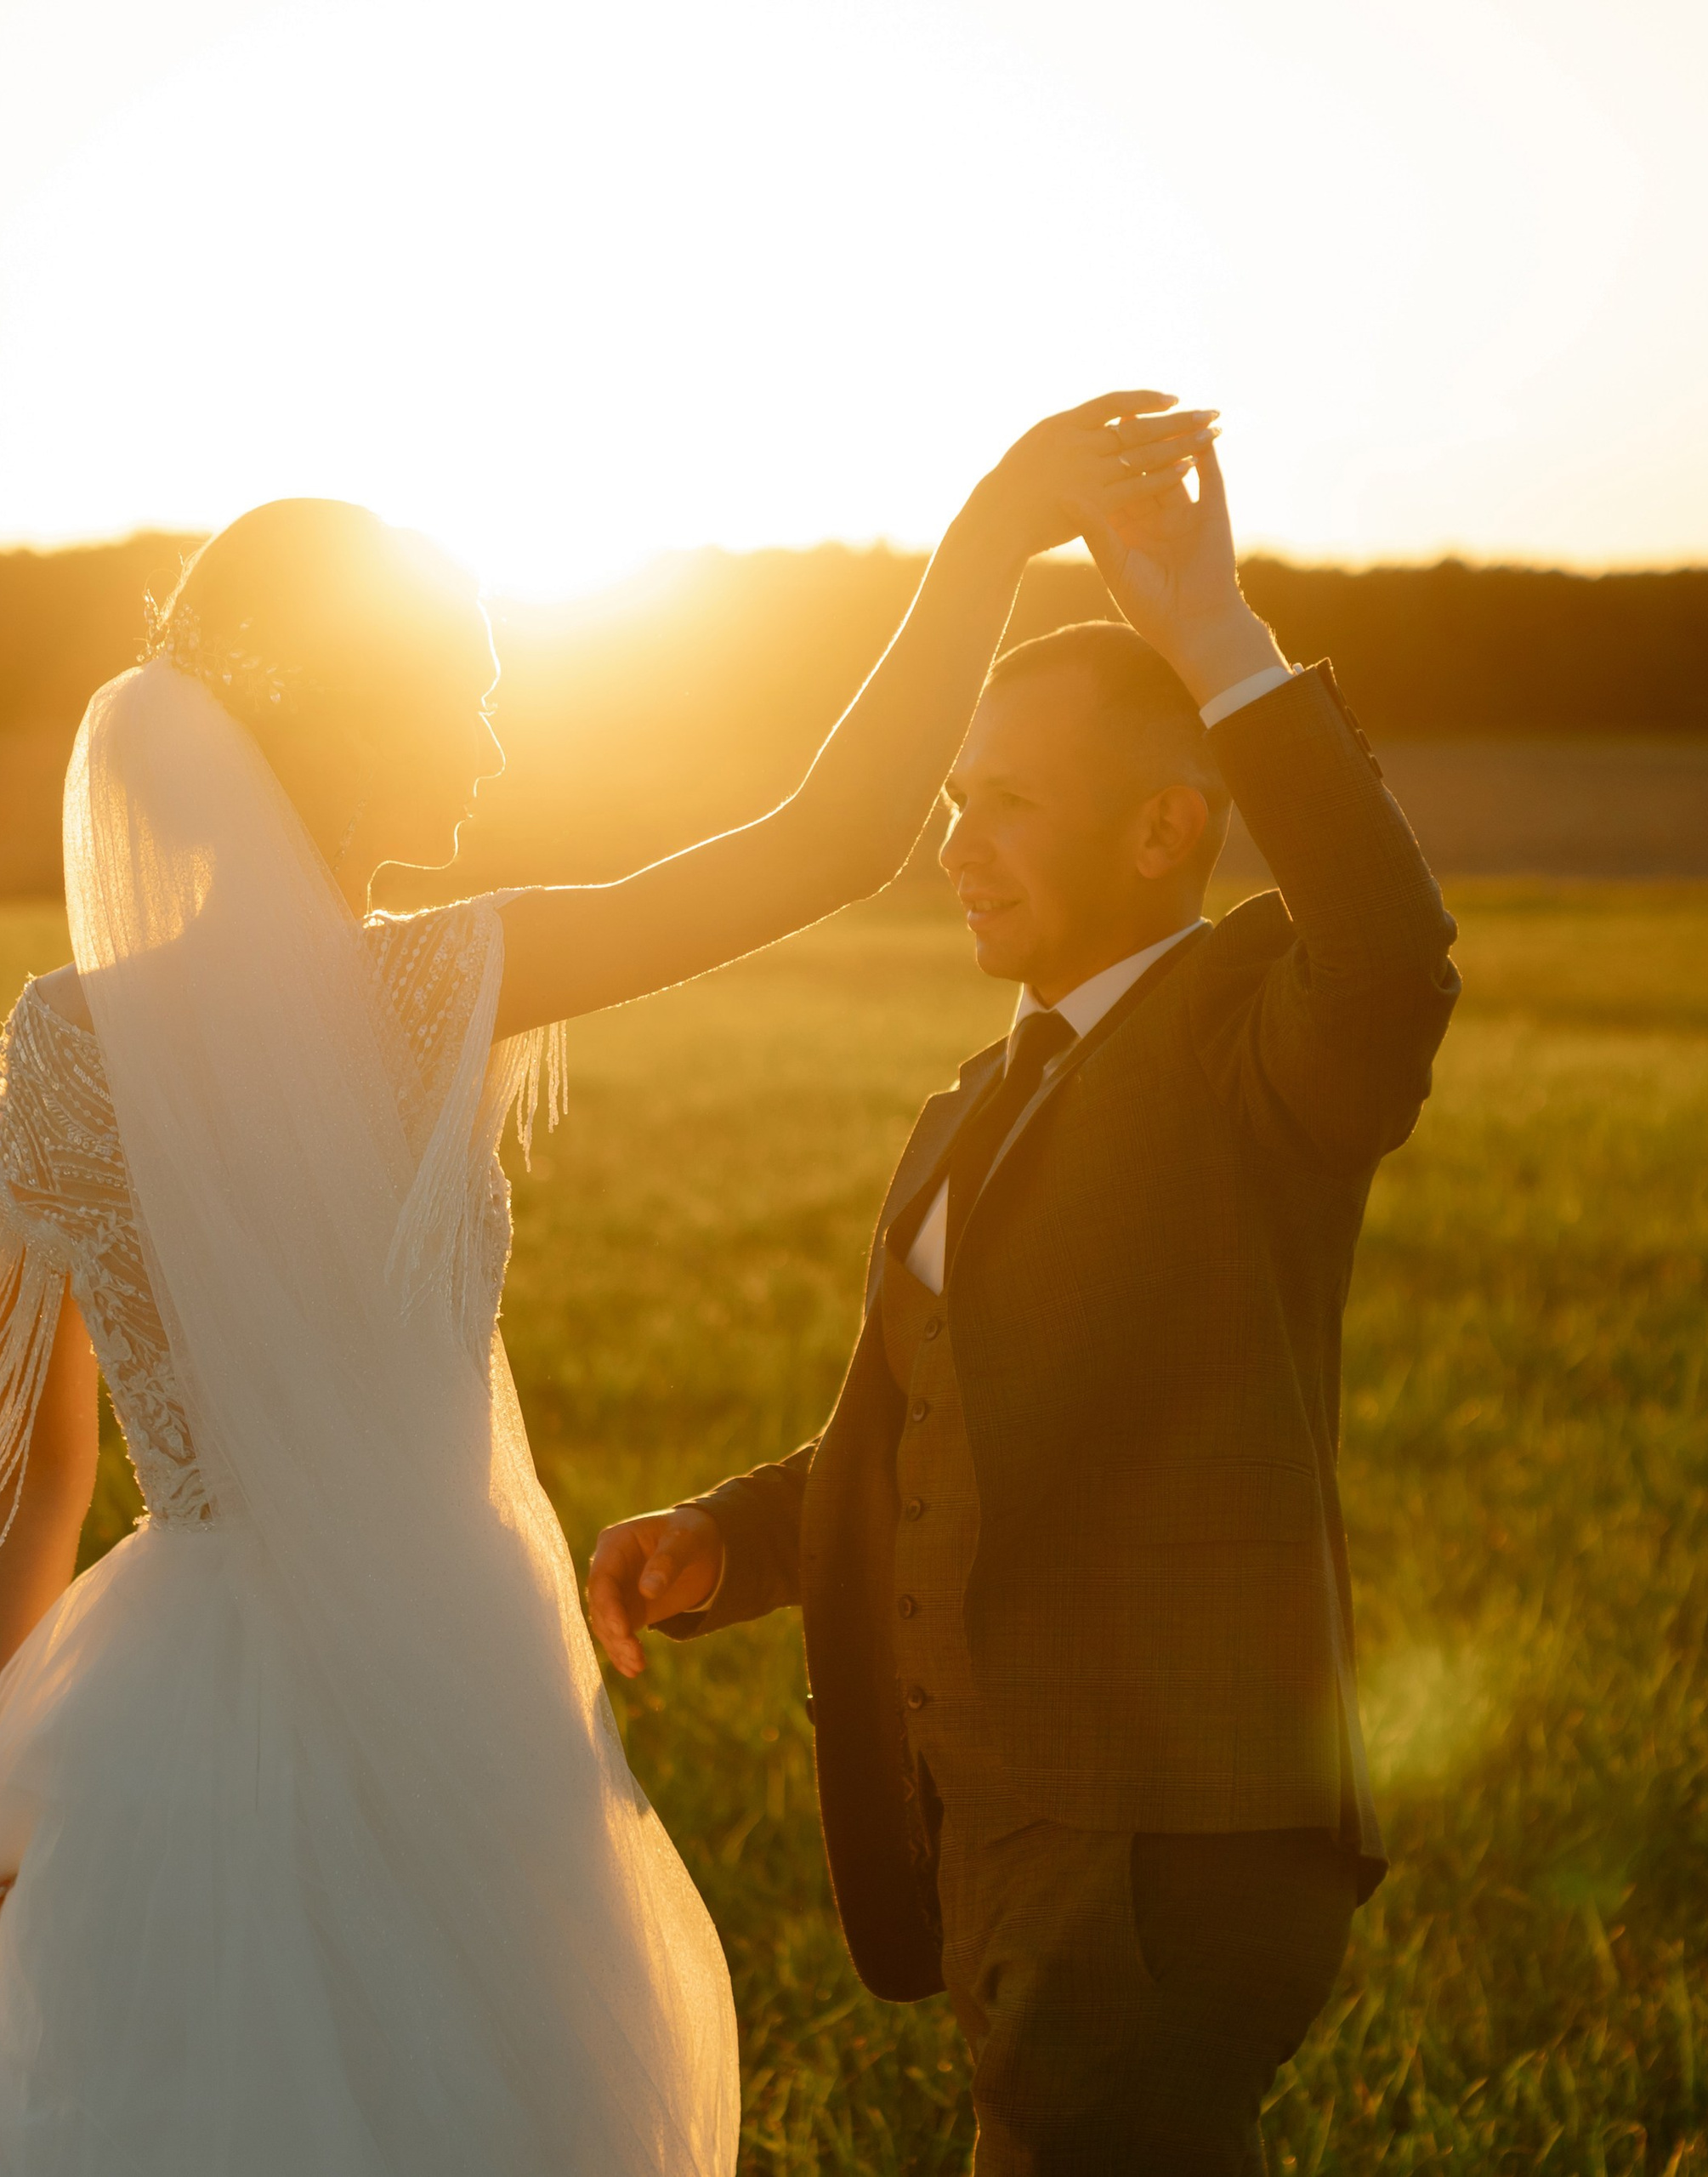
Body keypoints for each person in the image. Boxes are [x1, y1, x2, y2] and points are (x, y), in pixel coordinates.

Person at [0, 391, 1211, 2175]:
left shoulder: (61, 1039)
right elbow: (830, 838)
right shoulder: (438, 986)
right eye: (466, 690)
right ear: (342, 728)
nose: (494, 733)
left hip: (169, 1699)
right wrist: (987, 535)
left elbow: (40, 1469)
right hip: (450, 1676)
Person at [588, 440, 1460, 2173]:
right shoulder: (969, 1104)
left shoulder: (1250, 1052)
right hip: (995, 1832)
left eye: (1005, 802)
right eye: (952, 797)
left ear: (1164, 828)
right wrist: (726, 1538)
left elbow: (1385, 949)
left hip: (1166, 1835)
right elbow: (913, 1423)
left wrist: (1212, 632)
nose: (952, 843)